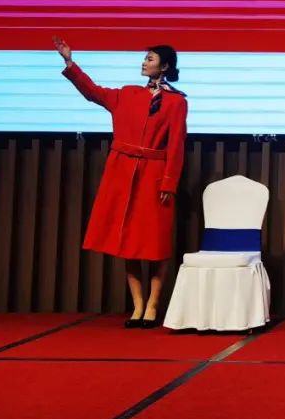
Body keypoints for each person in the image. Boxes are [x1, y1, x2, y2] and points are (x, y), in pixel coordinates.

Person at [53, 37, 188, 328]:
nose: (144, 62)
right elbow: (92, 92)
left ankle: (153, 304)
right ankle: (137, 305)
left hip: (154, 175)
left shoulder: (176, 102)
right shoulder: (127, 94)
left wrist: (169, 182)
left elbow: (176, 145)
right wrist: (70, 63)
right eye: (145, 58)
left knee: (156, 244)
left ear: (164, 66)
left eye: (150, 59)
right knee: (128, 242)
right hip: (122, 174)